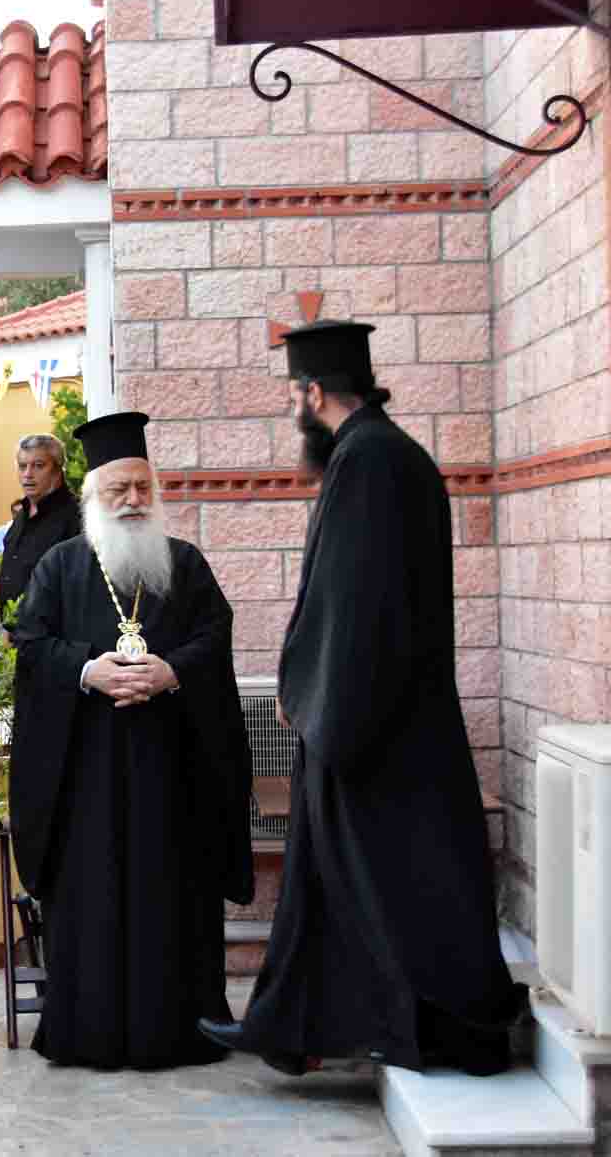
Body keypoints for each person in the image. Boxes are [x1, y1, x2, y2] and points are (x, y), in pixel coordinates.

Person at [199, 321, 526, 1076]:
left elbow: (354, 603)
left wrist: (311, 695)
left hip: (372, 724)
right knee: (350, 882)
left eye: (294, 396)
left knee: (398, 885)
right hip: (376, 713)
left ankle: (439, 1030)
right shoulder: (381, 453)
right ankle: (296, 1030)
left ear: (314, 393)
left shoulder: (370, 461)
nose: (294, 411)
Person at [10, 412, 253, 1070]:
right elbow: (30, 643)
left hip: (172, 772)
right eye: (118, 489)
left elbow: (214, 635)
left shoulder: (185, 564)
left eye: (143, 487)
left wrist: (173, 671)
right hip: (83, 772)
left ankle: (181, 1028)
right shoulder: (60, 566)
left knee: (171, 897)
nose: (133, 500)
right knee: (89, 899)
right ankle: (86, 1031)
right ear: (94, 495)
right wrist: (86, 669)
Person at [0, 435, 80, 625]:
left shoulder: (76, 517)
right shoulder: (21, 515)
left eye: (38, 465)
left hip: (54, 634)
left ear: (58, 469)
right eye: (22, 466)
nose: (28, 474)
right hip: (14, 633)